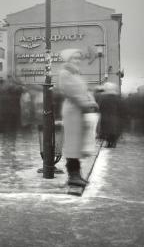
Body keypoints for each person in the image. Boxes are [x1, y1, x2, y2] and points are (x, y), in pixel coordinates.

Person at [58, 49, 98, 187]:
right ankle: (73, 176)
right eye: (74, 58)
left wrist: (91, 101)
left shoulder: (76, 74)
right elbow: (72, 93)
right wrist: (87, 104)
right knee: (73, 145)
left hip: (79, 111)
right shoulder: (65, 73)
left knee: (78, 145)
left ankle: (77, 174)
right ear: (68, 59)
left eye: (78, 58)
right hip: (73, 111)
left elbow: (84, 91)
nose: (77, 60)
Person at [98, 82, 123, 148]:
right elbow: (121, 108)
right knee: (113, 130)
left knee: (107, 130)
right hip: (114, 117)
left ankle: (109, 143)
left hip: (106, 117)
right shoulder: (117, 98)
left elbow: (100, 107)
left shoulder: (103, 98)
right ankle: (113, 143)